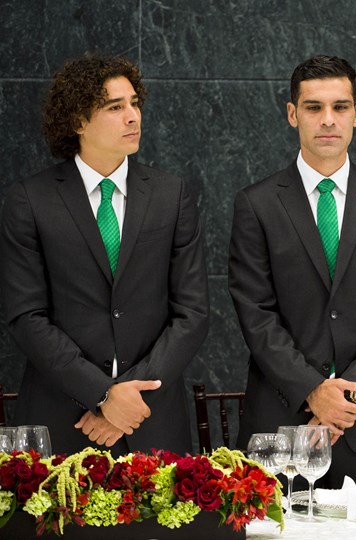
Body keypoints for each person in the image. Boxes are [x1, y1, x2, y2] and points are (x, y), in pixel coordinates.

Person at [0, 55, 208, 454]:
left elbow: (193, 313)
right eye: (115, 107)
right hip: (63, 420)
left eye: (134, 103)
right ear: (78, 121)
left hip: (153, 421)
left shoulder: (171, 195)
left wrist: (131, 400)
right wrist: (102, 395)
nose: (133, 116)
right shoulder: (30, 200)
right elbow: (26, 316)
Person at [229, 55, 356, 490]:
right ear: (293, 114)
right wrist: (313, 389)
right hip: (281, 422)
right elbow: (255, 314)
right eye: (314, 107)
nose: (328, 120)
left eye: (339, 106)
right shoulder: (257, 204)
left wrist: (345, 398)